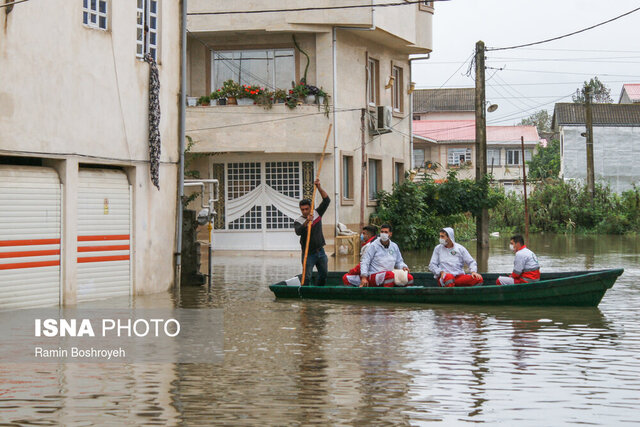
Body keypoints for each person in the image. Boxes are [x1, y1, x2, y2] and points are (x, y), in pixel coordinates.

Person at [294, 179, 330, 286]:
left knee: (323, 274)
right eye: (302, 210)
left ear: (311, 208)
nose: (305, 211)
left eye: (306, 209)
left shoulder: (317, 214)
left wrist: (318, 187)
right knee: (306, 277)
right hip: (308, 253)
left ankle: (319, 291)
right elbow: (298, 231)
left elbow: (327, 200)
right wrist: (307, 222)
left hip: (320, 251)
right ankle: (305, 296)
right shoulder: (299, 221)